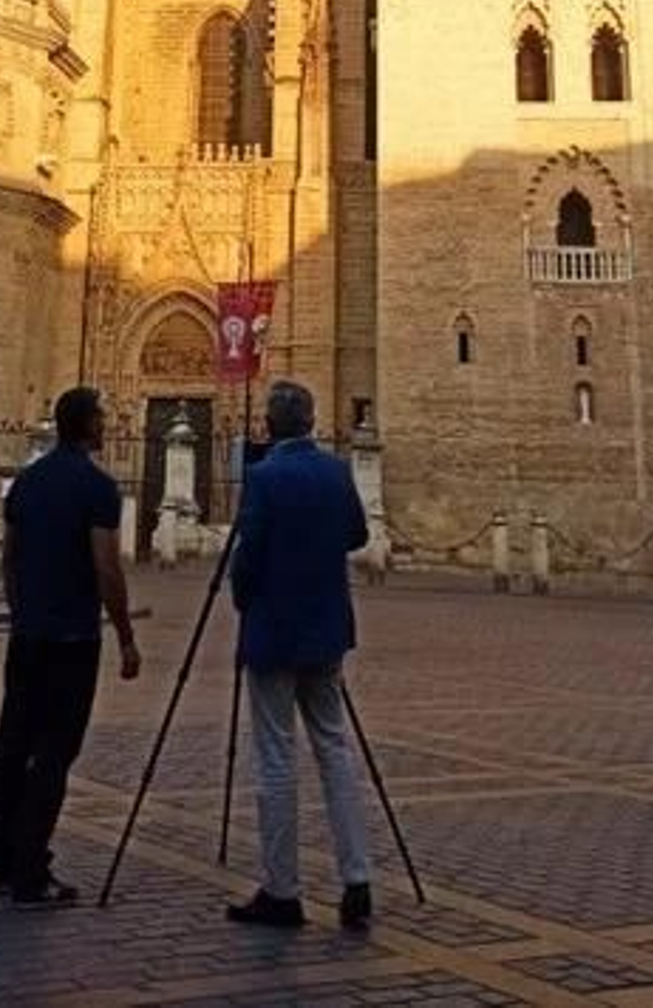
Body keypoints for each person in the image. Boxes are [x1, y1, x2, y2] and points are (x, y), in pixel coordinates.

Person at [0, 385, 141, 909]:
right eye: (101, 418)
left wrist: (21, 611)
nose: (106, 426)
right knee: (53, 753)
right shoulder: (97, 487)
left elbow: (8, 559)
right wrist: (125, 635)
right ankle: (31, 872)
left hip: (26, 635)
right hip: (73, 638)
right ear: (89, 426)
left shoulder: (26, 483)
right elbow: (106, 568)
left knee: (12, 746)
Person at [226, 379, 374, 932]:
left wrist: (244, 594)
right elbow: (357, 535)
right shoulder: (337, 473)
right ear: (312, 422)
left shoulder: (264, 478)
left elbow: (248, 559)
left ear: (269, 424)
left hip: (272, 633)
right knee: (335, 751)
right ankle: (358, 880)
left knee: (276, 756)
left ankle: (282, 891)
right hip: (327, 633)